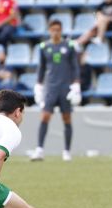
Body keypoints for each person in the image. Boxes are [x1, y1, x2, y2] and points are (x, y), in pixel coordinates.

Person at [31, 19, 81, 162]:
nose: (56, 32)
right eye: (53, 30)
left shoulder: (69, 46)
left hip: (65, 87)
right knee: (45, 116)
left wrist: (76, 84)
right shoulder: (44, 47)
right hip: (50, 87)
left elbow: (75, 66)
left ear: (61, 30)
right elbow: (41, 68)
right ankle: (39, 150)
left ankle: (67, 151)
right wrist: (38, 85)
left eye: (58, 30)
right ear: (49, 30)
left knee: (67, 118)